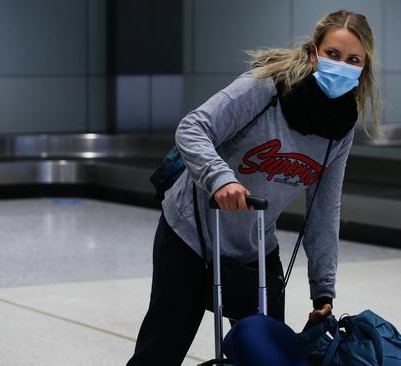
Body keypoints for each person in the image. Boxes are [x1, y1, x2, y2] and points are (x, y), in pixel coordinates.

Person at [127, 9, 380, 365]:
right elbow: (193, 128)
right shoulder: (266, 88)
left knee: (267, 355)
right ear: (313, 53)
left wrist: (322, 291)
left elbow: (324, 208)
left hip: (254, 245)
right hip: (192, 231)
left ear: (363, 68)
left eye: (353, 60)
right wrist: (221, 179)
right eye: (333, 54)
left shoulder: (340, 129)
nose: (341, 65)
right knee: (162, 347)